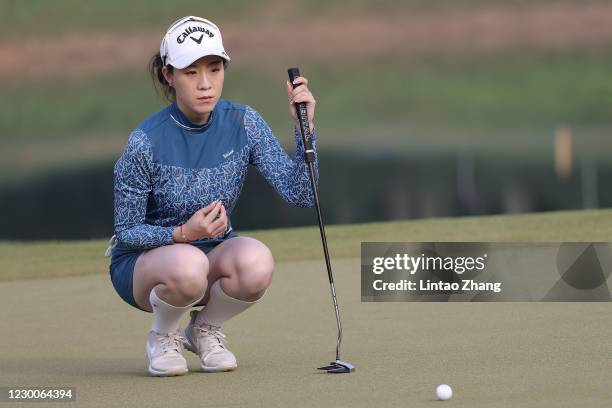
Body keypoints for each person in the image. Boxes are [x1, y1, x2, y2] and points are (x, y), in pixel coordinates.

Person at [106, 16, 318, 377]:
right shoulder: (145, 141)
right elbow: (126, 232)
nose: (206, 84)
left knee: (256, 262)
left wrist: (305, 131)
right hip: (145, 266)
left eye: (215, 69)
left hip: (211, 251)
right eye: (191, 72)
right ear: (168, 76)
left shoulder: (243, 122)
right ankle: (162, 336)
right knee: (189, 265)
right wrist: (183, 234)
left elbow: (301, 193)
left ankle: (202, 330)